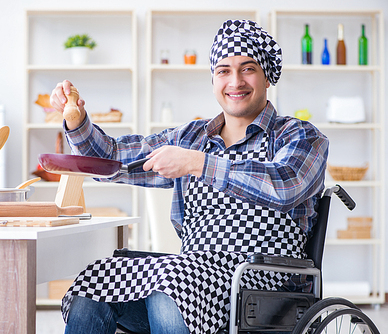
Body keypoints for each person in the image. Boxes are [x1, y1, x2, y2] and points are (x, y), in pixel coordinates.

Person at [50, 19, 328, 334]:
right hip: (193, 277)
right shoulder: (192, 137)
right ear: (213, 80)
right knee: (97, 281)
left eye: (247, 68)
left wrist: (198, 164)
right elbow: (113, 159)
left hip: (266, 285)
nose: (235, 81)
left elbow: (285, 185)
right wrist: (77, 121)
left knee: (171, 282)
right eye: (223, 71)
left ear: (267, 77)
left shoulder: (299, 135)